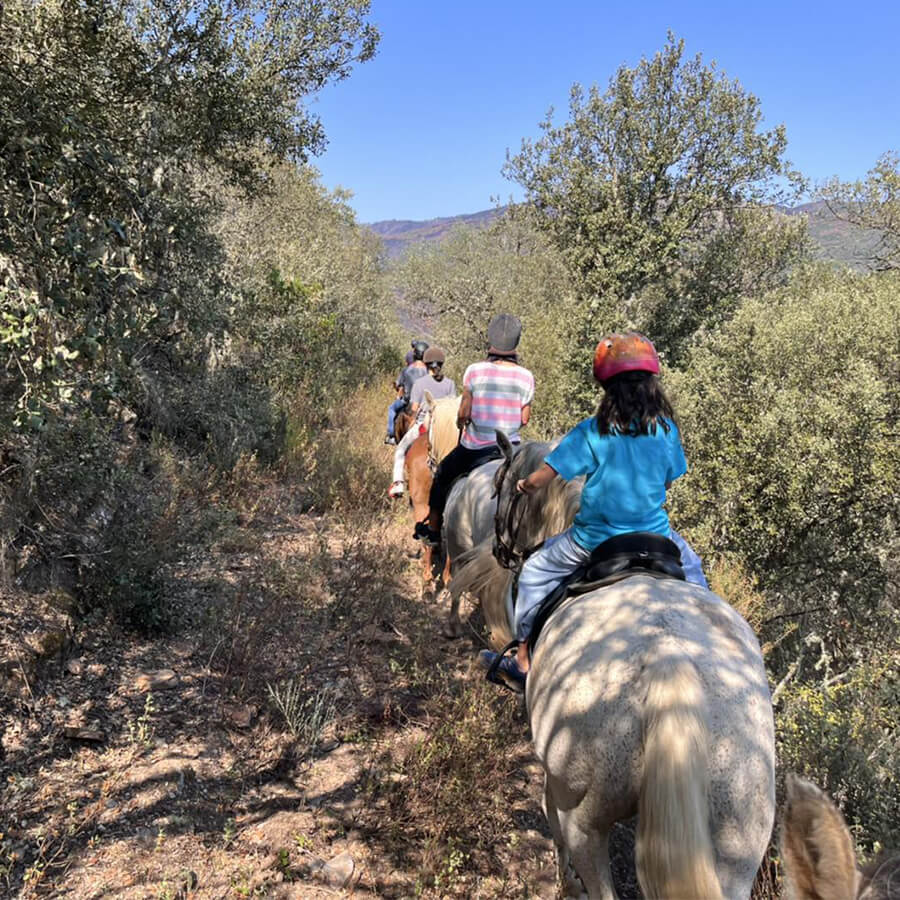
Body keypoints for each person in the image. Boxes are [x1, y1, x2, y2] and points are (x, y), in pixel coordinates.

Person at [479, 331, 708, 690]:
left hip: (594, 540)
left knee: (535, 573)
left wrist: (525, 485)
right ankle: (707, 646)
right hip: (656, 536)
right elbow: (668, 480)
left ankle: (522, 662)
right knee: (696, 578)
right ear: (651, 385)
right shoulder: (666, 430)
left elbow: (545, 477)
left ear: (607, 388)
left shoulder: (592, 431)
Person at [415, 313, 534, 544]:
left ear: (490, 340)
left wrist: (462, 421)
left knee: (441, 476)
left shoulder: (475, 371)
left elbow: (465, 412)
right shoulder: (526, 376)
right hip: (511, 450)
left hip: (476, 448)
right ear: (515, 343)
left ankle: (434, 531)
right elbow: (525, 419)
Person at [388, 347, 457, 498]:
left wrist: (412, 424)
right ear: (441, 364)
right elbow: (452, 407)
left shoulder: (419, 384)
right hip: (444, 427)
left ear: (426, 365)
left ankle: (398, 483)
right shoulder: (450, 383)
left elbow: (414, 409)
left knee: (400, 450)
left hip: (423, 424)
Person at [385, 341, 428, 444]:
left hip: (407, 402)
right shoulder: (428, 371)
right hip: (425, 403)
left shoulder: (406, 371)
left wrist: (397, 386)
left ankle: (391, 436)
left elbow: (398, 384)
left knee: (391, 409)